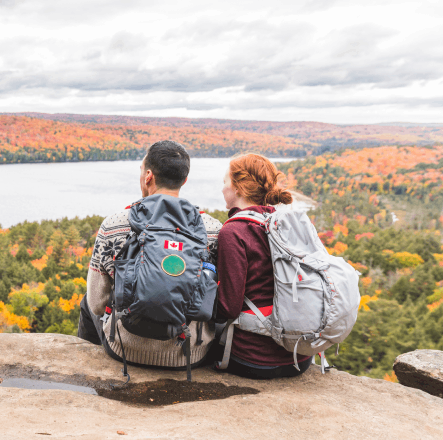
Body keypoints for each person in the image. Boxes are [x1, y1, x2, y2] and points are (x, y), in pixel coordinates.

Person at [78, 140, 222, 372]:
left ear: (148, 176)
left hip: (125, 350)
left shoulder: (115, 224)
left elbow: (97, 304)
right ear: (184, 180)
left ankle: (87, 369)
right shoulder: (212, 228)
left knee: (86, 300)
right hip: (188, 355)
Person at [214, 153, 312, 379]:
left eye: (225, 182)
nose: (222, 188)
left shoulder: (234, 231)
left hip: (253, 359)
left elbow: (228, 308)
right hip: (300, 357)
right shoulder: (284, 222)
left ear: (237, 188)